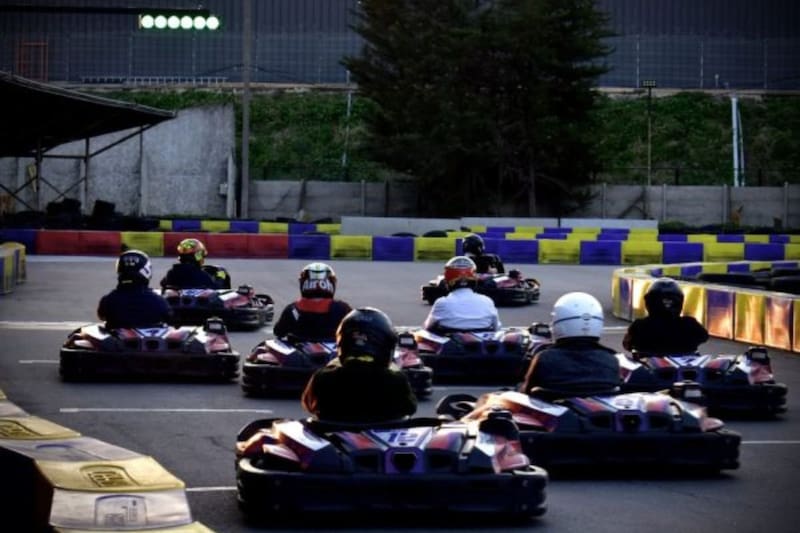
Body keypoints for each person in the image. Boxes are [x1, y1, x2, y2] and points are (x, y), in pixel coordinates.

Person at [301, 307, 418, 423]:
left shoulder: (323, 378)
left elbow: (308, 404)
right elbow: (410, 408)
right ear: (385, 344)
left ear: (342, 341)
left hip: (336, 439)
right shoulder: (395, 380)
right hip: (382, 439)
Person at [521, 291, 620, 397]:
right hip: (600, 412)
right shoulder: (611, 359)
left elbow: (525, 394)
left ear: (559, 323)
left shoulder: (545, 358)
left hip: (556, 411)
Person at [622, 278, 709, 355]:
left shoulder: (640, 325)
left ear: (650, 302)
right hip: (685, 369)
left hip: (649, 370)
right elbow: (704, 337)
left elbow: (627, 345)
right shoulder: (689, 323)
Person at [272, 262, 353, 342]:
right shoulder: (342, 308)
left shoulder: (292, 309)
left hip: (299, 353)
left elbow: (278, 332)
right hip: (334, 352)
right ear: (330, 284)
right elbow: (355, 331)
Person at [423, 256, 501, 332]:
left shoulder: (442, 303)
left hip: (450, 344)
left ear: (447, 281)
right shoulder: (487, 301)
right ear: (474, 279)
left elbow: (427, 327)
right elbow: (497, 327)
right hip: (480, 343)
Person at [97, 249, 172, 329]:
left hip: (118, 340)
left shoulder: (108, 301)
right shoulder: (159, 302)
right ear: (146, 270)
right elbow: (168, 317)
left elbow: (102, 316)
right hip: (149, 340)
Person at [160, 238, 226, 290]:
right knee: (223, 272)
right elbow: (216, 289)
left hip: (174, 304)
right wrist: (221, 276)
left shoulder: (171, 273)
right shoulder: (201, 275)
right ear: (198, 256)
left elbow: (163, 284)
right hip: (197, 305)